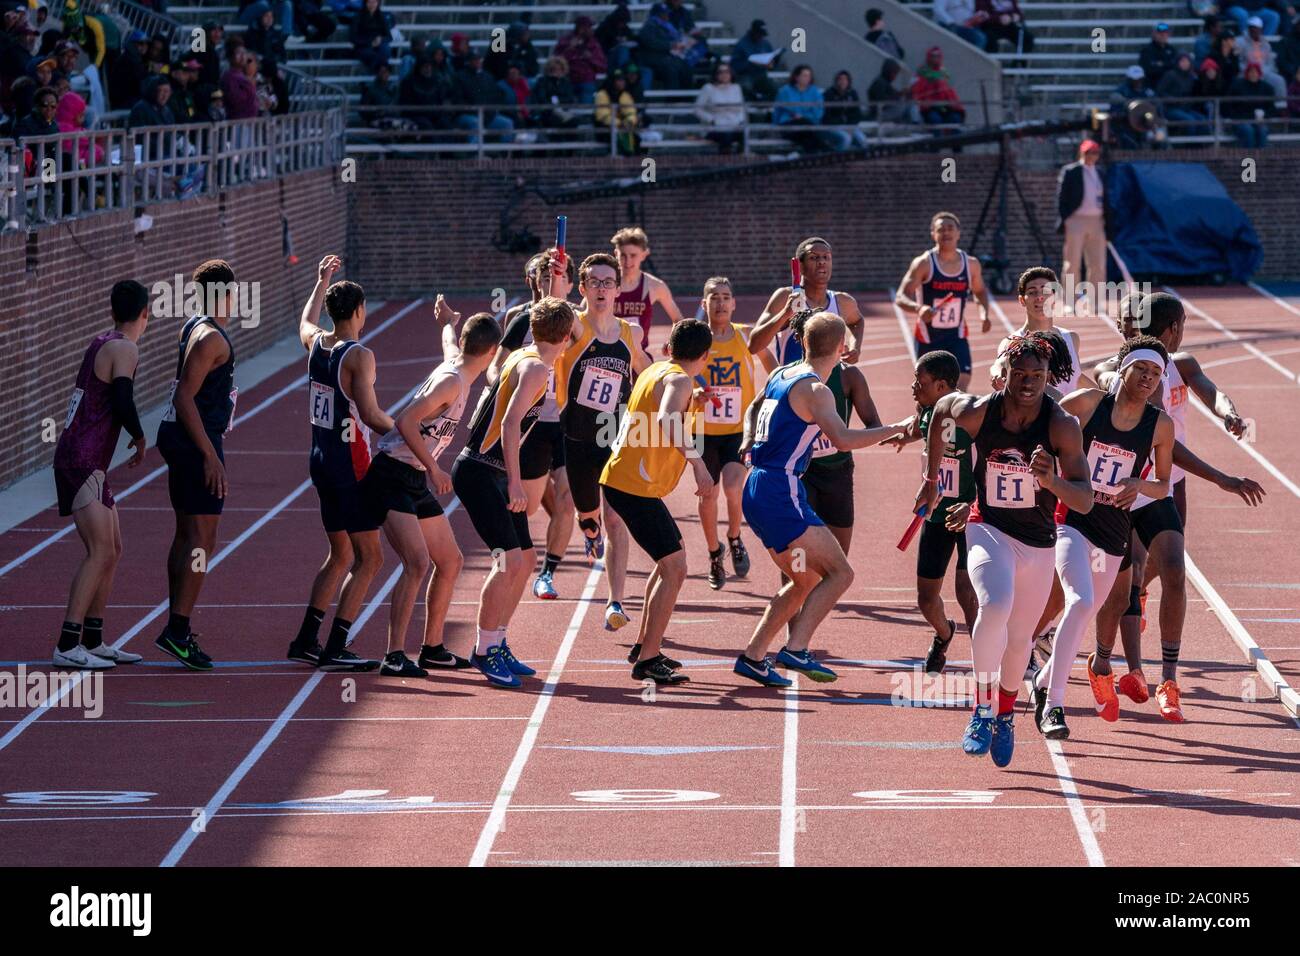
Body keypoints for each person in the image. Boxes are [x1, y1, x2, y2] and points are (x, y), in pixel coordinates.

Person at [918, 331, 1091, 767]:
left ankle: (1007, 715)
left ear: (1050, 376)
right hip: (987, 528)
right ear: (1006, 373)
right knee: (993, 606)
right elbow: (940, 408)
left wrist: (1051, 482)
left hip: (1038, 544)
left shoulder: (1061, 425)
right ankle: (981, 709)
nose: (1029, 382)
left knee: (1020, 640)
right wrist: (932, 476)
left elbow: (1085, 499)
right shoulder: (980, 412)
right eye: (1021, 373)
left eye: (1038, 374)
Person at [1091, 292, 1263, 721]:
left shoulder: (1180, 364)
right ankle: (1110, 664)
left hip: (1164, 487)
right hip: (1124, 489)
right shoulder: (1123, 374)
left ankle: (1168, 679)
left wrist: (1230, 415)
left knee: (1171, 569)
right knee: (1122, 586)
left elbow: (1211, 391)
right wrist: (1223, 478)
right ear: (1172, 328)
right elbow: (1162, 439)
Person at [736, 312, 906, 687]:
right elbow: (843, 439)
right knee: (841, 573)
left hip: (757, 487)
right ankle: (796, 649)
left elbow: (754, 407)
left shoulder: (782, 373)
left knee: (804, 579)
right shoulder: (817, 390)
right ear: (843, 348)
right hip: (782, 490)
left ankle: (752, 657)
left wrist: (747, 439)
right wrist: (892, 429)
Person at [1032, 336, 1174, 739]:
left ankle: (1042, 683)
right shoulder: (1088, 403)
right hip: (1071, 519)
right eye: (1141, 369)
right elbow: (1046, 424)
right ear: (1123, 369)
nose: (1148, 378)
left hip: (1114, 532)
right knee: (1080, 601)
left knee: (1082, 613)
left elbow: (1164, 484)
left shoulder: (1159, 424)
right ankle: (1055, 705)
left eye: (1156, 374)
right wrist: (1051, 472)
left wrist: (1139, 486)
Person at [362, 303, 502, 677]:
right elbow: (405, 421)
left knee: (452, 561)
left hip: (411, 478)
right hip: (392, 474)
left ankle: (433, 647)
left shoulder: (458, 365)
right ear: (491, 353)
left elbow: (448, 345)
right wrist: (434, 466)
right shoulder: (452, 382)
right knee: (417, 563)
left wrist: (448, 324)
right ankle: (394, 654)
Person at [451, 297, 576, 688]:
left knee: (525, 559)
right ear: (568, 335)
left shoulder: (524, 356)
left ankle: (498, 639)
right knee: (507, 561)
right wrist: (517, 482)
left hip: (494, 471)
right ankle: (484, 650)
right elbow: (508, 424)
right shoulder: (537, 368)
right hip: (482, 471)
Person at [288, 255, 390, 673]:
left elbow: (304, 324)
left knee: (340, 554)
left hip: (321, 460)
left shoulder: (317, 344)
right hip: (351, 466)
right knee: (371, 559)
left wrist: (319, 282)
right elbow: (369, 413)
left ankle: (305, 639)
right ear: (360, 311)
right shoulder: (359, 356)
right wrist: (403, 430)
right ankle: (337, 644)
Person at [602, 320, 716, 683]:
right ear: (706, 356)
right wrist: (698, 464)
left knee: (669, 560)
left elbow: (661, 407)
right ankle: (648, 660)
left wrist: (693, 401)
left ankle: (644, 647)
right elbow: (668, 416)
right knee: (676, 568)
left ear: (669, 347)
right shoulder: (681, 380)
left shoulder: (658, 370)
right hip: (633, 484)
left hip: (630, 481)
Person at [50, 280, 150, 671]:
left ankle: (94, 639)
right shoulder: (124, 348)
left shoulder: (102, 341)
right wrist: (141, 438)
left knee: (114, 547)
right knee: (100, 550)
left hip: (90, 461)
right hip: (81, 460)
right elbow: (123, 400)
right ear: (145, 314)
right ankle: (67, 643)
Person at [554, 253, 651, 630]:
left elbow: (647, 373)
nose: (601, 289)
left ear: (618, 288)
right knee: (590, 515)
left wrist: (686, 387)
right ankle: (587, 526)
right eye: (593, 282)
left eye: (607, 282)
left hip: (614, 439)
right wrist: (556, 278)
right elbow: (550, 311)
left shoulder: (631, 333)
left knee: (615, 518)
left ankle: (615, 602)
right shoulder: (575, 328)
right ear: (582, 288)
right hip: (577, 440)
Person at [153, 260, 240, 671]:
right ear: (227, 294)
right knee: (203, 538)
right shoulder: (211, 339)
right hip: (194, 442)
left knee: (187, 531)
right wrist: (210, 455)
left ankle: (177, 626)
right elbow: (184, 397)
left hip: (181, 439)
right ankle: (178, 630)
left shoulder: (193, 325)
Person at [490, 249, 577, 602]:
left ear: (569, 283)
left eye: (555, 277)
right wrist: (509, 387)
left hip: (569, 421)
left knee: (568, 498)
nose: (549, 284)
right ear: (535, 283)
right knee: (528, 503)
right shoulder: (521, 319)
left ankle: (547, 573)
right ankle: (529, 552)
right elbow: (495, 367)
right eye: (543, 278)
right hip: (534, 423)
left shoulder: (577, 320)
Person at [883, 350, 978, 673]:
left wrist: (974, 506)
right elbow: (921, 428)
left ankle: (987, 664)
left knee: (968, 593)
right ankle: (944, 633)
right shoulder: (928, 412)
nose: (913, 388)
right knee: (926, 599)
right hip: (936, 514)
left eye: (919, 382)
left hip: (972, 515)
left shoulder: (972, 416)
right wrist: (903, 436)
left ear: (941, 386)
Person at [787, 309, 882, 557]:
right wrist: (750, 440)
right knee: (799, 560)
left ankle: (825, 597)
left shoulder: (849, 375)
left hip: (838, 472)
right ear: (802, 340)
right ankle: (797, 595)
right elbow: (758, 406)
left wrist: (892, 433)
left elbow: (873, 422)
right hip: (799, 473)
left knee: (838, 559)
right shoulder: (789, 376)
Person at [696, 277, 758, 589]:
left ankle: (734, 535)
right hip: (702, 431)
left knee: (734, 487)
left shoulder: (746, 335)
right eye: (714, 297)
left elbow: (773, 368)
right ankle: (713, 553)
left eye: (726, 297)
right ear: (704, 303)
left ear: (734, 303)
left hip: (737, 429)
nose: (720, 303)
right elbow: (677, 371)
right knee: (708, 493)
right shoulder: (695, 338)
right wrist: (694, 396)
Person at [895, 212, 991, 389]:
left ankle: (952, 417)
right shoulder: (924, 263)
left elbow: (980, 292)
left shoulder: (971, 264)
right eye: (941, 229)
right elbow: (901, 296)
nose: (946, 233)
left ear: (958, 233)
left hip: (956, 335)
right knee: (927, 392)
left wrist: (984, 314)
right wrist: (919, 308)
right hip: (928, 337)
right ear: (933, 234)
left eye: (950, 228)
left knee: (961, 386)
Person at [749, 237, 865, 369]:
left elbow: (857, 321)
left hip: (830, 385)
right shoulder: (785, 297)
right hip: (796, 384)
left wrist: (855, 347)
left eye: (826, 257)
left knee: (855, 379)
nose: (821, 262)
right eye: (814, 258)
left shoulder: (843, 301)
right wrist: (785, 314)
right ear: (800, 266)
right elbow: (754, 346)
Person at [611, 226, 684, 352]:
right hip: (607, 356)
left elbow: (678, 320)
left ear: (644, 254)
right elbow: (584, 313)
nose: (627, 261)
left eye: (633, 255)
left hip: (638, 357)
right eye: (623, 255)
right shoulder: (607, 283)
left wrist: (673, 341)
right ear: (616, 253)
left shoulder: (655, 286)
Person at [453, 49, 514, 144]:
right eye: (474, 60)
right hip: (467, 115)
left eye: (478, 59)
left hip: (487, 115)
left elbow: (496, 95)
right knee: (476, 122)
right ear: (468, 61)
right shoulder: (460, 77)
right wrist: (475, 111)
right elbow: (458, 101)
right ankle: (474, 155)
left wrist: (490, 111)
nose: (477, 62)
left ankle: (504, 154)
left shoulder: (487, 76)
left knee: (507, 123)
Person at [774, 64, 835, 153]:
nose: (807, 78)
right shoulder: (785, 91)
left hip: (809, 127)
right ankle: (828, 150)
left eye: (809, 76)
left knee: (808, 138)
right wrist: (803, 116)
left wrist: (802, 116)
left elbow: (818, 113)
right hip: (789, 126)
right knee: (806, 127)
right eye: (804, 75)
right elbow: (789, 111)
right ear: (796, 77)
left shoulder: (814, 92)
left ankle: (815, 159)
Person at [637, 2, 693, 90]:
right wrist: (671, 45)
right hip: (653, 59)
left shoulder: (668, 26)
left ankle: (686, 98)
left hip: (668, 57)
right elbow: (651, 43)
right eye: (663, 13)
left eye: (666, 13)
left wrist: (683, 42)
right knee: (672, 69)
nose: (666, 15)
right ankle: (672, 100)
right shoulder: (649, 26)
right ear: (657, 15)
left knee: (685, 66)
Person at [693, 61, 745, 153]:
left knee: (744, 134)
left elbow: (741, 108)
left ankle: (743, 160)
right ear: (716, 74)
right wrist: (712, 120)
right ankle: (726, 161)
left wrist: (739, 121)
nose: (724, 75)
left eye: (727, 72)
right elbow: (697, 109)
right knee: (726, 135)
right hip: (715, 126)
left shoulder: (736, 88)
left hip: (734, 124)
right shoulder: (708, 88)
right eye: (721, 72)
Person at [555, 15, 607, 103]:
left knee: (586, 101)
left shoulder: (594, 44)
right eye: (589, 27)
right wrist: (570, 49)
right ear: (581, 28)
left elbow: (602, 66)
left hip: (586, 81)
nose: (591, 30)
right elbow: (555, 62)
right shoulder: (565, 41)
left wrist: (590, 58)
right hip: (567, 80)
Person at [910, 46, 966, 125]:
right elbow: (918, 93)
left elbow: (951, 92)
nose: (935, 59)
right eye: (933, 56)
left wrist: (955, 105)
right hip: (930, 108)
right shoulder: (921, 74)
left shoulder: (945, 74)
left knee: (955, 118)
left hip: (946, 106)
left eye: (937, 56)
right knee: (935, 120)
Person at [1227, 61, 1276, 145]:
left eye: (1255, 71)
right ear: (1247, 73)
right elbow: (1230, 106)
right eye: (1251, 71)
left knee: (1262, 130)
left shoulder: (1267, 88)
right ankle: (1249, 156)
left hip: (1260, 120)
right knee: (1248, 130)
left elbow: (1271, 108)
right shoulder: (1237, 86)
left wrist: (1265, 116)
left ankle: (1262, 156)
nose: (1253, 74)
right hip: (1241, 120)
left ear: (1259, 73)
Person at [1158, 52, 1209, 134]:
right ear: (1177, 62)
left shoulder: (1191, 77)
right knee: (1190, 120)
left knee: (1202, 119)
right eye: (1182, 61)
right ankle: (1190, 144)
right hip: (1171, 108)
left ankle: (1204, 144)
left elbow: (1195, 93)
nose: (1185, 64)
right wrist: (1172, 100)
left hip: (1186, 108)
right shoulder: (1170, 75)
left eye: (1187, 61)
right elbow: (1160, 92)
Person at [729, 18, 778, 101]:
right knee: (746, 88)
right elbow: (734, 65)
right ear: (753, 32)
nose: (761, 37)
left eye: (762, 35)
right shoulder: (741, 44)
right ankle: (752, 106)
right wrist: (751, 63)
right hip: (746, 75)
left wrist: (771, 64)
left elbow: (772, 59)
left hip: (761, 75)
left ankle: (764, 107)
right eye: (759, 34)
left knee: (774, 89)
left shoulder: (765, 44)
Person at [528, 55, 579, 134]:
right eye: (554, 69)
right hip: (547, 112)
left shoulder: (566, 82)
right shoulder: (542, 82)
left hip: (563, 109)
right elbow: (542, 98)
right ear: (549, 70)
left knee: (573, 120)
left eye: (560, 69)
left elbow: (570, 98)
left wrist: (558, 100)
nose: (557, 72)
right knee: (555, 119)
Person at [593, 68, 639, 154]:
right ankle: (617, 163)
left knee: (636, 138)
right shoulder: (602, 94)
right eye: (619, 80)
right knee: (616, 138)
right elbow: (603, 115)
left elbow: (631, 112)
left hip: (623, 126)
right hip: (605, 128)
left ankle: (633, 162)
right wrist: (619, 123)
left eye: (623, 80)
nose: (622, 83)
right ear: (612, 81)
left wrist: (629, 121)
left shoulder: (625, 94)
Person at [823, 69, 868, 148]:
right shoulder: (829, 93)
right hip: (834, 126)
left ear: (848, 81)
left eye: (845, 79)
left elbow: (857, 114)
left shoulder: (852, 93)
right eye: (840, 79)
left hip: (850, 125)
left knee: (863, 140)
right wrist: (841, 121)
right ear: (836, 81)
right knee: (846, 139)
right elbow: (826, 116)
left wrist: (850, 124)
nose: (843, 82)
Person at [350, 0, 392, 72]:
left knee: (385, 50)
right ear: (365, 3)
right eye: (369, 2)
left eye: (374, 2)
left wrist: (380, 39)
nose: (372, 5)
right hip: (363, 46)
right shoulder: (358, 16)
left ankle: (381, 72)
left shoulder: (381, 16)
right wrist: (370, 43)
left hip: (379, 44)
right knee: (372, 55)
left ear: (378, 3)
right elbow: (353, 38)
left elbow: (389, 37)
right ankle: (382, 71)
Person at [1139, 21, 1181, 88]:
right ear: (1154, 34)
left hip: (1170, 86)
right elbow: (1149, 70)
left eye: (1165, 33)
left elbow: (1177, 66)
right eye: (1160, 33)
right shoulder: (1147, 50)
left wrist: (1161, 64)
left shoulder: (1172, 50)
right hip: (1152, 86)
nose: (1163, 35)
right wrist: (1167, 65)